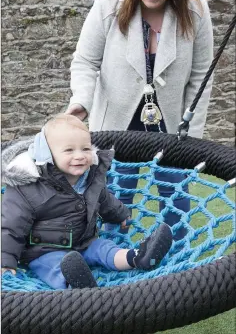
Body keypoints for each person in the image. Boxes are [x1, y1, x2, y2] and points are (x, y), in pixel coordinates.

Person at [66, 0, 214, 240]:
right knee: (114, 203)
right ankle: (114, 271)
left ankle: (177, 271)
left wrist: (192, 133)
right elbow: (85, 61)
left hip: (173, 127)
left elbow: (201, 76)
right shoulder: (108, 4)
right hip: (118, 124)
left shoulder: (197, 10)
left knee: (177, 205)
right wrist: (82, 99)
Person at [1, 114, 172, 290]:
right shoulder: (27, 187)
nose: (80, 156)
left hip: (84, 241)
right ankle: (73, 283)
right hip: (44, 250)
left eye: (85, 149)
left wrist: (121, 214)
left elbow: (105, 200)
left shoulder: (89, 176)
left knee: (104, 248)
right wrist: (6, 260)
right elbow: (12, 226)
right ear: (47, 155)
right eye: (69, 150)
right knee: (53, 267)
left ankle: (137, 257)